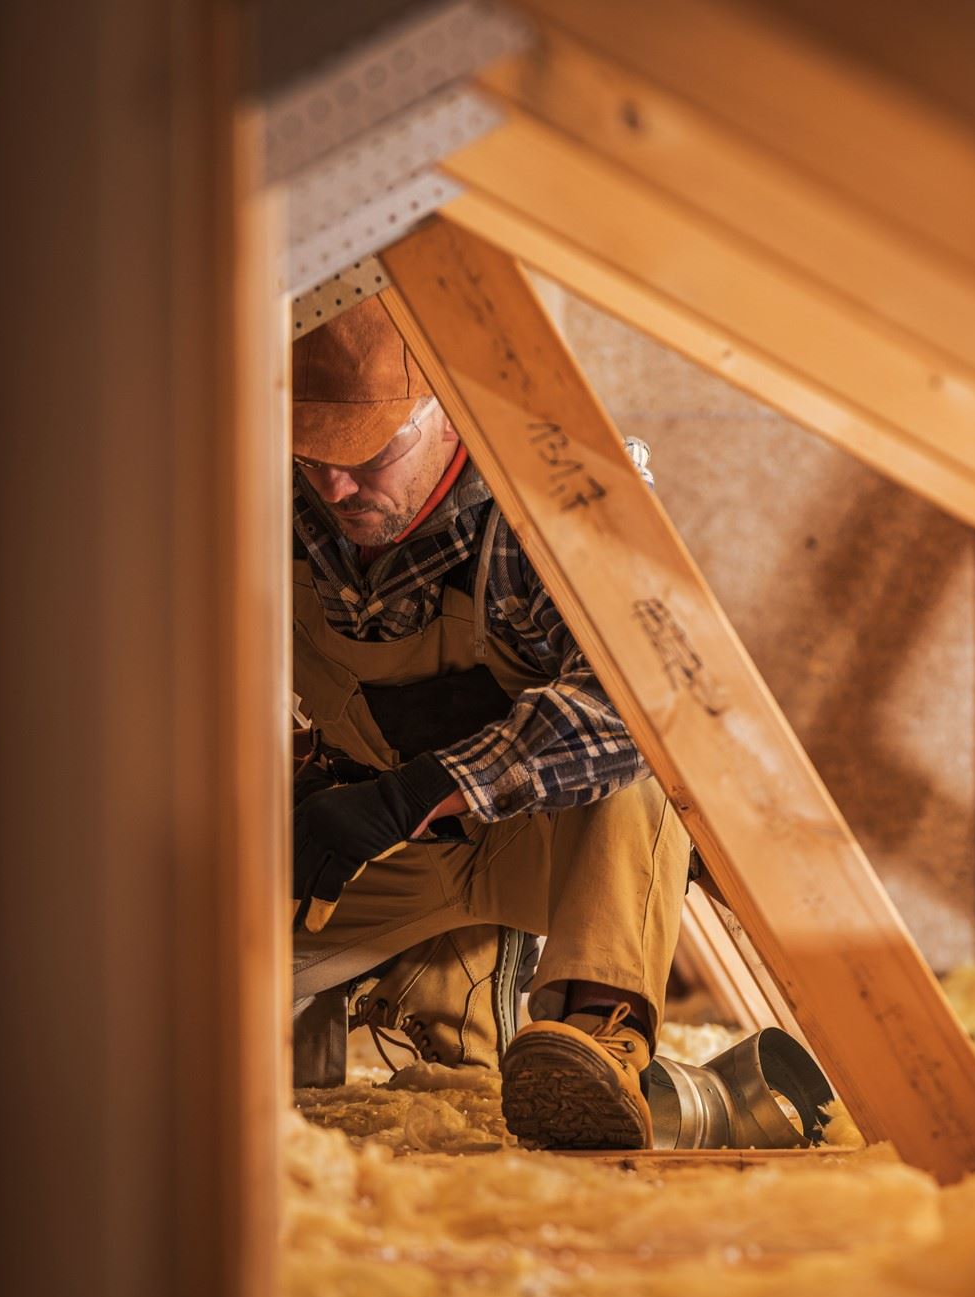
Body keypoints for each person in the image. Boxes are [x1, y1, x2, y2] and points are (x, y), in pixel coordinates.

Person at [289, 296, 690, 1149]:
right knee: (162, 996)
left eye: (368, 454)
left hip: (547, 844)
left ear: (445, 409)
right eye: (311, 454)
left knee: (646, 755)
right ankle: (447, 986)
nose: (334, 486)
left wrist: (421, 791)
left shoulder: (555, 490)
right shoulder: (274, 499)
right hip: (375, 846)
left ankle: (591, 1032)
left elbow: (644, 694)